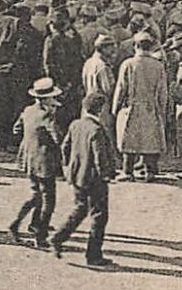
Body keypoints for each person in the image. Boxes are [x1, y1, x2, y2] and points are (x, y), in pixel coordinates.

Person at [51, 91, 119, 269]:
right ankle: (93, 255)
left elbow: (65, 147)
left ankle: (58, 237)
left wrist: (69, 166)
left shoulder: (75, 125)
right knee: (99, 216)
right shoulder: (96, 129)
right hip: (94, 179)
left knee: (80, 209)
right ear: (100, 110)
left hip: (77, 177)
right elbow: (100, 157)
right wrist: (107, 174)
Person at [9, 78, 61, 248]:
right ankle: (40, 235)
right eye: (53, 97)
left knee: (35, 195)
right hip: (44, 160)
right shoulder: (48, 116)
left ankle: (18, 224)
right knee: (48, 199)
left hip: (29, 159)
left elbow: (17, 129)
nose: (55, 100)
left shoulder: (28, 110)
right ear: (46, 99)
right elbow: (57, 138)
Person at [111, 32, 167, 181]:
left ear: (135, 46)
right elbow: (162, 91)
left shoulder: (128, 64)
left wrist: (115, 108)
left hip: (132, 105)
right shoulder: (158, 65)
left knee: (129, 139)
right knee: (150, 139)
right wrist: (162, 109)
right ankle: (150, 171)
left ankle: (128, 171)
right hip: (150, 107)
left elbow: (121, 87)